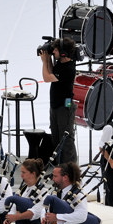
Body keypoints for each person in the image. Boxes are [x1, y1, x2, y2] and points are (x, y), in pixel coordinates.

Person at [40, 36, 78, 165]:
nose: (53, 52)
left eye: (55, 50)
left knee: (66, 140)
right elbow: (51, 71)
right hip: (56, 106)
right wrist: (48, 59)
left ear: (63, 52)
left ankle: (70, 169)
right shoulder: (61, 63)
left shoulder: (68, 68)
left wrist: (45, 61)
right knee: (56, 139)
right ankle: (60, 167)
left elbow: (47, 77)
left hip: (64, 107)